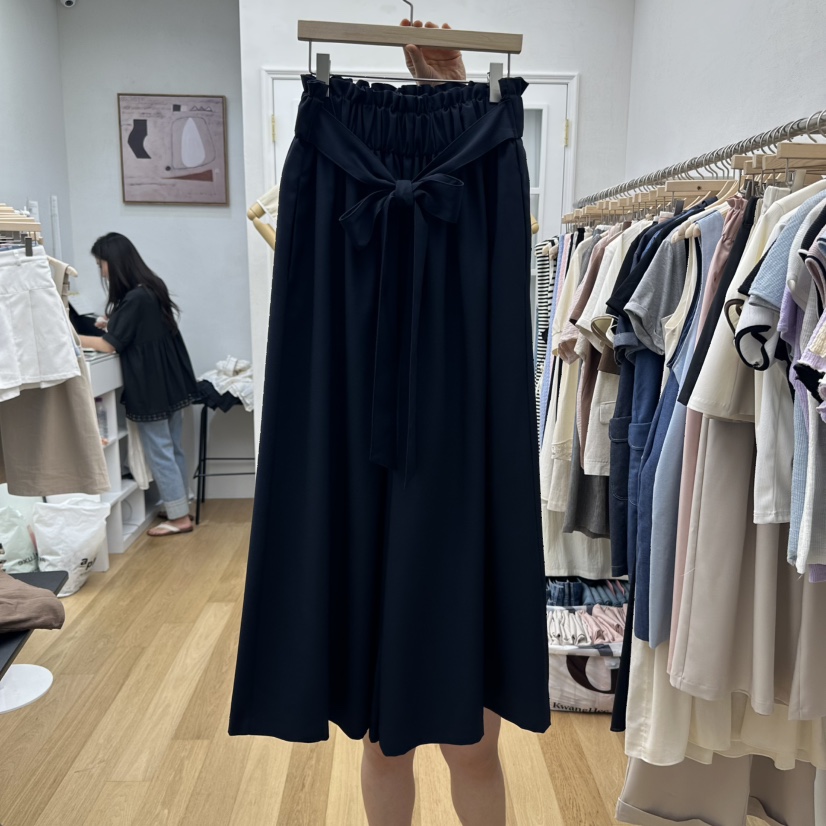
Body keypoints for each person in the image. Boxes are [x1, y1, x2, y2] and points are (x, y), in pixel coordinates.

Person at [356, 21, 509, 826]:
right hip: (373, 462)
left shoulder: (478, 194)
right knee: (385, 739)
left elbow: (477, 216)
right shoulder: (342, 190)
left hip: (461, 467)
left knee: (472, 739)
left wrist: (454, 100)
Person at [79, 233, 199, 537]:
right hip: (170, 381)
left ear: (115, 262)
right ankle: (179, 506)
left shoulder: (134, 298)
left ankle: (179, 519)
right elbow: (142, 329)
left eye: (101, 263)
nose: (101, 270)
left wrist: (73, 338)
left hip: (152, 386)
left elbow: (109, 345)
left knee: (160, 450)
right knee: (172, 448)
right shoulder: (150, 288)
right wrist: (113, 322)